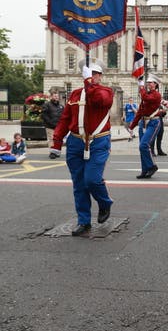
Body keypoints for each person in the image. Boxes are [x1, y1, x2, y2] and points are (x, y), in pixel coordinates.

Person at [49, 62, 114, 236]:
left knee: (92, 180)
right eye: (89, 73)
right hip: (75, 142)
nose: (92, 76)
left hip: (98, 142)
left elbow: (99, 100)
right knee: (79, 184)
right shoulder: (75, 94)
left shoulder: (105, 91)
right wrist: (56, 143)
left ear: (100, 76)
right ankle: (83, 221)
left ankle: (105, 202)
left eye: (95, 73)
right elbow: (65, 119)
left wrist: (89, 82)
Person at [129, 74, 162, 179]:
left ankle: (152, 166)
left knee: (144, 145)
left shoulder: (156, 95)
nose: (148, 84)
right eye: (148, 82)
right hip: (143, 123)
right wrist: (132, 125)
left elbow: (145, 97)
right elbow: (140, 112)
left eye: (151, 82)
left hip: (153, 123)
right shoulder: (146, 95)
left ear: (156, 84)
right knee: (141, 148)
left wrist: (141, 87)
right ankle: (145, 170)